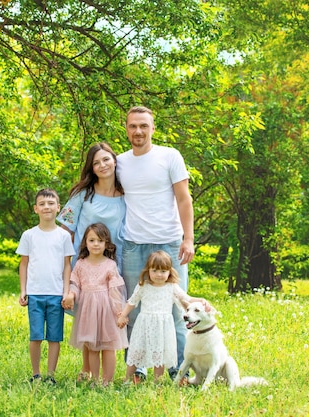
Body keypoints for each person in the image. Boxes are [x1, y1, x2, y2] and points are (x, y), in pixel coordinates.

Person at [116, 105, 195, 382]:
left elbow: (184, 199)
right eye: (133, 126)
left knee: (176, 309)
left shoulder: (169, 156)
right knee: (135, 309)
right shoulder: (120, 162)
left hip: (169, 243)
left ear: (153, 128)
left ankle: (179, 369)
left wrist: (188, 239)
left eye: (143, 126)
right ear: (126, 129)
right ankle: (136, 369)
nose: (138, 131)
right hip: (134, 245)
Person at [57, 142, 126, 381]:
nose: (102, 165)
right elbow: (65, 228)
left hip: (114, 263)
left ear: (114, 161)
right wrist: (64, 263)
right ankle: (86, 369)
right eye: (96, 163)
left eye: (106, 159)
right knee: (86, 316)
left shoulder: (126, 193)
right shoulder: (83, 195)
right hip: (85, 263)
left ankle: (112, 371)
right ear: (91, 168)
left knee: (107, 315)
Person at [117, 251, 207, 383]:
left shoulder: (172, 287)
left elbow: (186, 298)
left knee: (158, 355)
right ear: (148, 270)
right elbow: (132, 302)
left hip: (162, 327)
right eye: (155, 271)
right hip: (144, 325)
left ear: (169, 272)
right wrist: (123, 315)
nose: (159, 275)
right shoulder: (143, 285)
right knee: (136, 351)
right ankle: (128, 379)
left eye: (163, 271)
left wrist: (200, 299)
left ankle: (157, 382)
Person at [16, 188, 76, 386]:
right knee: (35, 336)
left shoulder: (63, 236)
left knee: (54, 337)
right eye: (42, 204)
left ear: (58, 208)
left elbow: (67, 265)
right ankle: (36, 374)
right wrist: (23, 290)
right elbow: (24, 263)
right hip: (34, 294)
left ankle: (51, 375)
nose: (46, 207)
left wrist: (66, 291)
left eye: (51, 204)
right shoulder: (29, 235)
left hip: (56, 294)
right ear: (35, 209)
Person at [62, 223, 128, 387]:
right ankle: (95, 379)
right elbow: (75, 283)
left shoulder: (110, 264)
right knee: (91, 346)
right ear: (85, 242)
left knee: (108, 347)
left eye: (100, 240)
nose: (96, 244)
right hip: (88, 311)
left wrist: (120, 312)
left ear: (107, 243)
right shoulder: (80, 264)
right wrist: (71, 295)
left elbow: (114, 290)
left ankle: (108, 380)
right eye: (92, 240)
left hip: (106, 311)